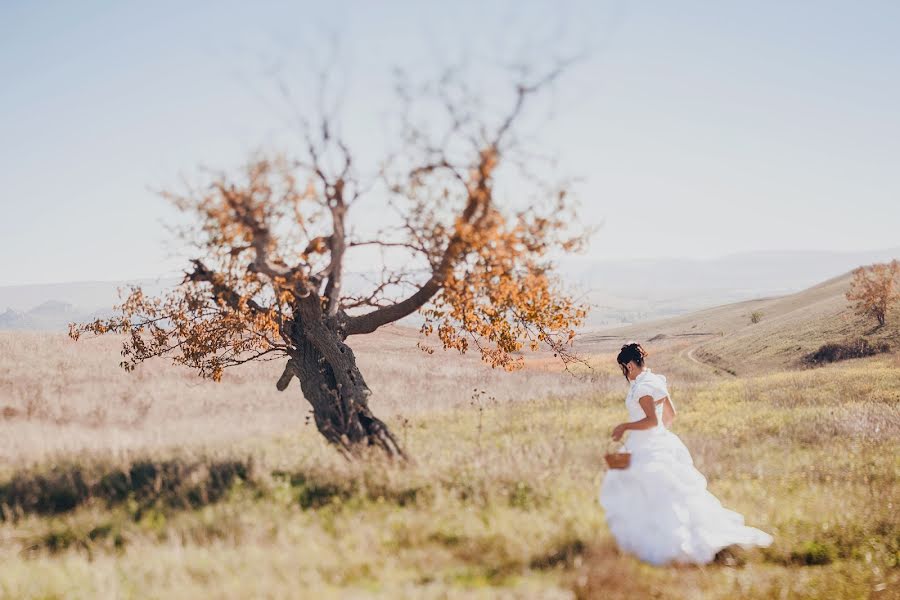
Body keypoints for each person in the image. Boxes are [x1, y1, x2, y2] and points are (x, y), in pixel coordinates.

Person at [599, 342, 773, 565]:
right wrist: (659, 434)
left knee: (646, 491)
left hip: (647, 445)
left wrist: (625, 427)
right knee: (667, 492)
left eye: (624, 368)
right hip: (657, 442)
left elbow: (652, 421)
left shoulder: (642, 387)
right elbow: (670, 416)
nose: (625, 373)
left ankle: (663, 542)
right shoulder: (656, 381)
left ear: (630, 364)